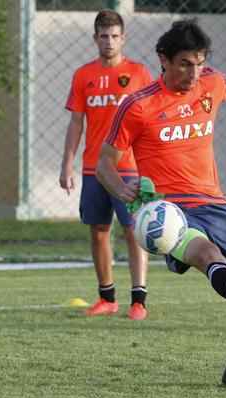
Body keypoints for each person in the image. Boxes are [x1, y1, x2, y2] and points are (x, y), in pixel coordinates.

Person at [96, 19, 226, 388]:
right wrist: (121, 190)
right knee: (207, 255)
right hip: (168, 211)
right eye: (185, 63)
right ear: (163, 60)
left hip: (214, 202)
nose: (194, 72)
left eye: (200, 62)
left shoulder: (209, 82)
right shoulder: (138, 105)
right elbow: (105, 161)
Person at [59, 10, 153, 321]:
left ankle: (138, 301)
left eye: (114, 36)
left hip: (128, 167)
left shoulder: (140, 74)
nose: (109, 41)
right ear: (95, 38)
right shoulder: (83, 75)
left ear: (123, 38)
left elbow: (151, 121)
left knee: (132, 229)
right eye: (103, 36)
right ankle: (107, 297)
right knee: (99, 230)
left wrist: (153, 163)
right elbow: (75, 123)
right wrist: (67, 165)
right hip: (92, 168)